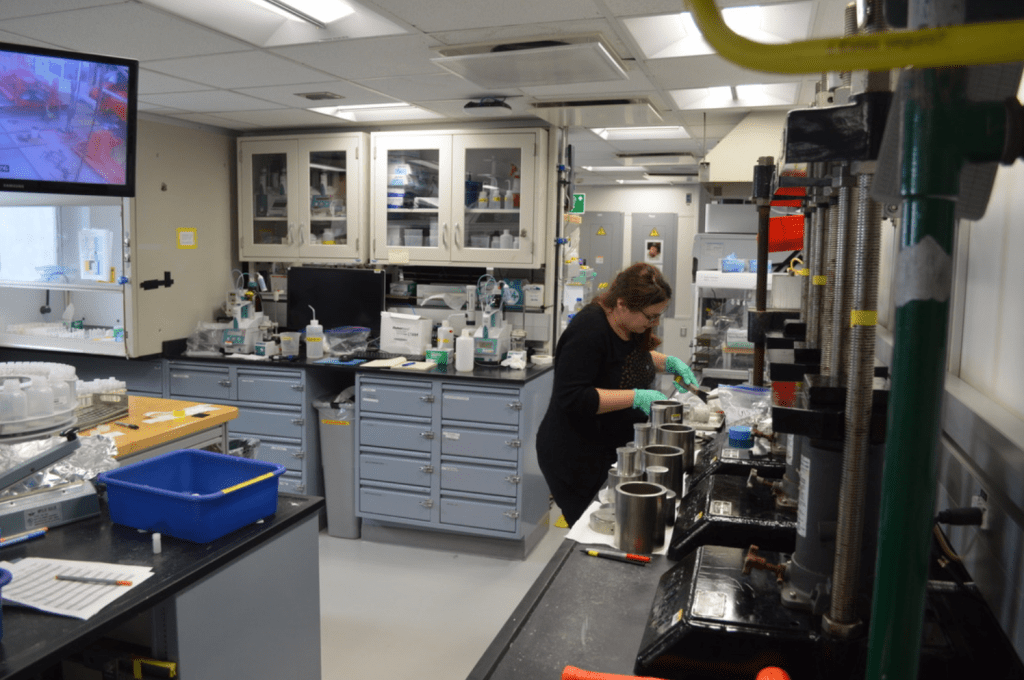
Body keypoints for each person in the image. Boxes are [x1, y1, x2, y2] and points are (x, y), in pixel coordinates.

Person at [536, 262, 698, 527]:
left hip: (609, 448)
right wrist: (636, 397)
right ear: (622, 304)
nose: (654, 322)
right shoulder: (588, 330)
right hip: (576, 457)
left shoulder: (629, 325)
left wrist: (669, 363)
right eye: (650, 316)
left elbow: (631, 358)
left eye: (660, 315)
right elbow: (574, 398)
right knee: (598, 529)